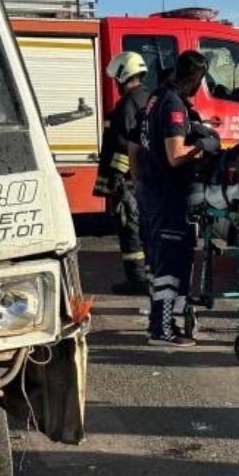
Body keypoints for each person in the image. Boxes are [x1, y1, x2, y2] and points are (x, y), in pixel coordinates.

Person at [137, 50, 220, 346]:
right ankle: (162, 330)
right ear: (194, 79)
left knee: (162, 263)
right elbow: (175, 156)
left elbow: (141, 145)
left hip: (152, 192)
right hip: (170, 195)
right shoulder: (173, 105)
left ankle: (161, 323)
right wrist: (203, 146)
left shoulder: (156, 97)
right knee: (171, 265)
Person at [93, 52, 151, 295]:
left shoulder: (127, 104)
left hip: (129, 180)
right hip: (147, 178)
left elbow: (124, 145)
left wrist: (116, 179)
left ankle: (137, 280)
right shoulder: (149, 98)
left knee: (130, 230)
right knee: (146, 229)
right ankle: (150, 276)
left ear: (122, 75)